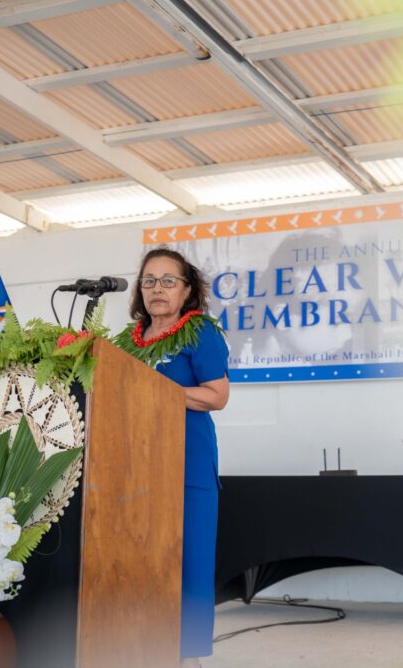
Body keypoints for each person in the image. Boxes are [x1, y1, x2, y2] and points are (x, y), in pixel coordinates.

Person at [125, 247, 230, 667]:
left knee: (190, 564)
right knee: (140, 561)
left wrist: (160, 393)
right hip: (135, 467)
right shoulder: (127, 341)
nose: (157, 289)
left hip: (188, 468)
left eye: (169, 281)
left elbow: (217, 396)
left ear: (187, 291)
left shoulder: (200, 333)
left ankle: (188, 657)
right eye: (149, 280)